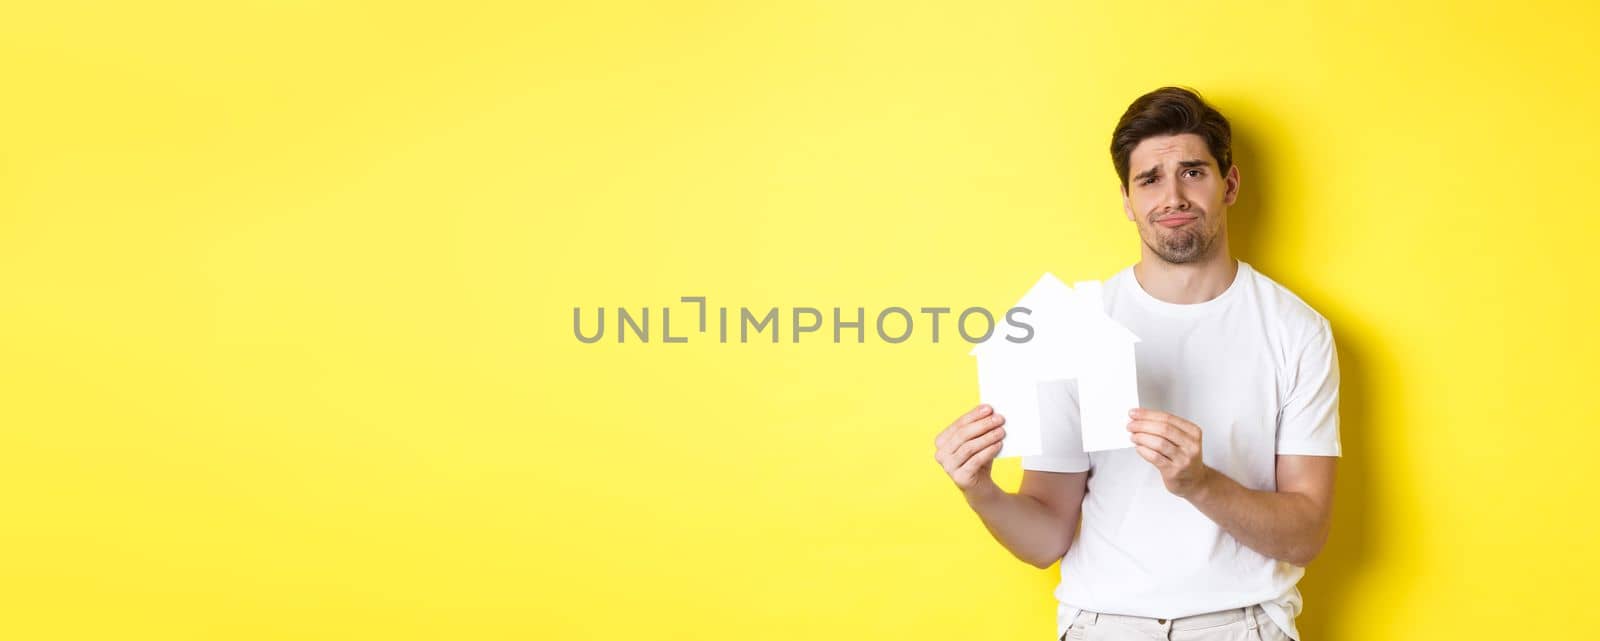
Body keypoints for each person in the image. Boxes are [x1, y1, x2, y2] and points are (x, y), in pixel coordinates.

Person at [933, 87, 1341, 641]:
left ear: (1231, 185)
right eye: (1150, 179)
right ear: (1127, 201)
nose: (1172, 196)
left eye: (1193, 172)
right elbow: (1046, 537)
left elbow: (1305, 535)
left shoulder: (1297, 331)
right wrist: (979, 488)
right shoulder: (1075, 326)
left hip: (1244, 625)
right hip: (1104, 625)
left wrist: (1198, 483)